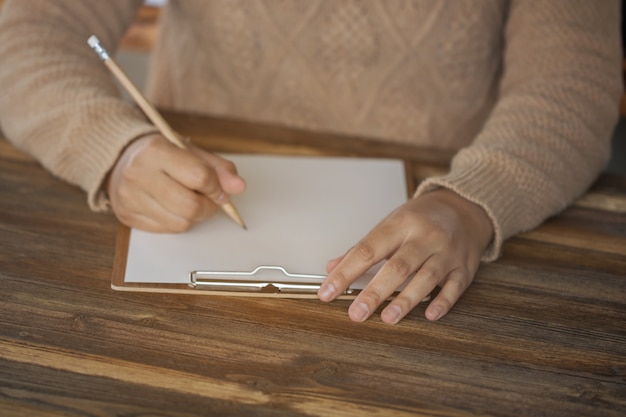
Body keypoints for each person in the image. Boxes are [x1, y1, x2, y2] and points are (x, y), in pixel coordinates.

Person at [0, 0, 621, 324]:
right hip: (185, 231)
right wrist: (116, 149)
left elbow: (572, 88)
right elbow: (26, 35)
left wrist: (473, 199)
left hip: (444, 211)